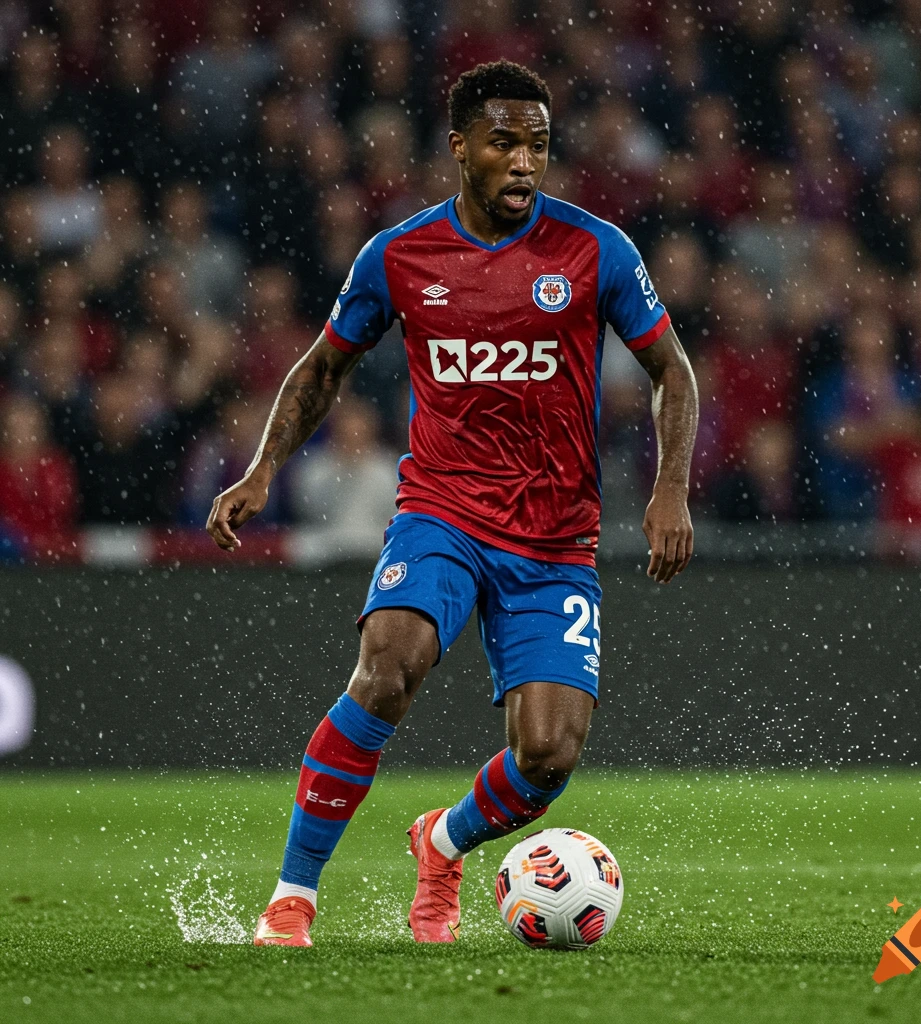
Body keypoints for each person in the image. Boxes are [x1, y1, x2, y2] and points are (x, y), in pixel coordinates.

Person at [206, 60, 699, 947]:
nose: (524, 162)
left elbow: (673, 371)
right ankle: (293, 896)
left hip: (556, 538)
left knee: (548, 755)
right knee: (389, 665)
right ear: (461, 148)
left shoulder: (596, 250)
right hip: (443, 511)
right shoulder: (399, 256)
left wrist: (669, 487)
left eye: (539, 145)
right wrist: (261, 469)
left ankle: (442, 840)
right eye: (505, 142)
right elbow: (323, 368)